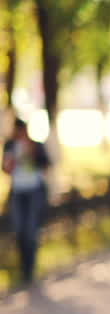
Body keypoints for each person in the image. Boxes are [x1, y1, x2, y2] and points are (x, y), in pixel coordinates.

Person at [2, 118, 53, 285]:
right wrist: (10, 162)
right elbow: (6, 169)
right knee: (19, 230)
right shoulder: (10, 146)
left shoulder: (35, 144)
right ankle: (23, 267)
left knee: (30, 231)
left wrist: (31, 152)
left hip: (33, 192)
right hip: (17, 192)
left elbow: (46, 164)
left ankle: (30, 269)